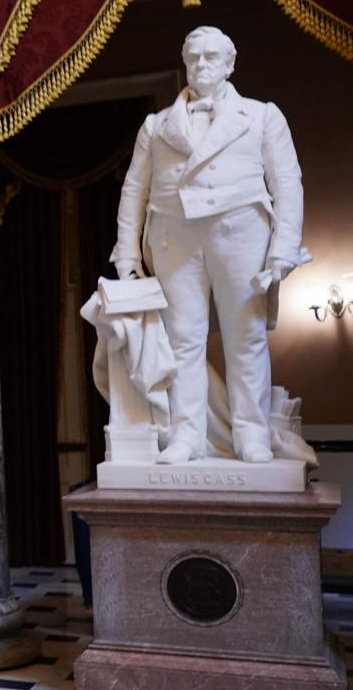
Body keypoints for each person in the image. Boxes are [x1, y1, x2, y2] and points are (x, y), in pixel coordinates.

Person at [111, 26, 305, 465]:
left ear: (230, 64)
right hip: (174, 235)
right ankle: (186, 436)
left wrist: (283, 248)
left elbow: (287, 182)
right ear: (185, 64)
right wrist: (125, 252)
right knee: (182, 340)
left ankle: (251, 434)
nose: (201, 65)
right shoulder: (157, 125)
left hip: (242, 231)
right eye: (194, 57)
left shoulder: (261, 116)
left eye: (211, 57)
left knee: (246, 337)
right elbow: (133, 189)